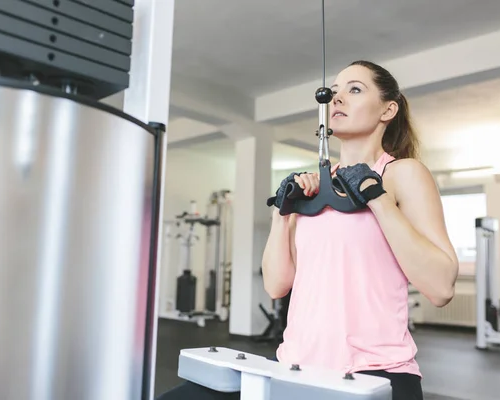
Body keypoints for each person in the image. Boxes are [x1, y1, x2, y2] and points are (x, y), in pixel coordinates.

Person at [157, 60, 459, 400]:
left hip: (374, 373)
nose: (336, 98)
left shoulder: (403, 174)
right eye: (335, 91)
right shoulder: (317, 189)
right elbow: (276, 285)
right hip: (295, 366)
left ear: (387, 109)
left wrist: (377, 198)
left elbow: (440, 287)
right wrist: (283, 213)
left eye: (354, 89)